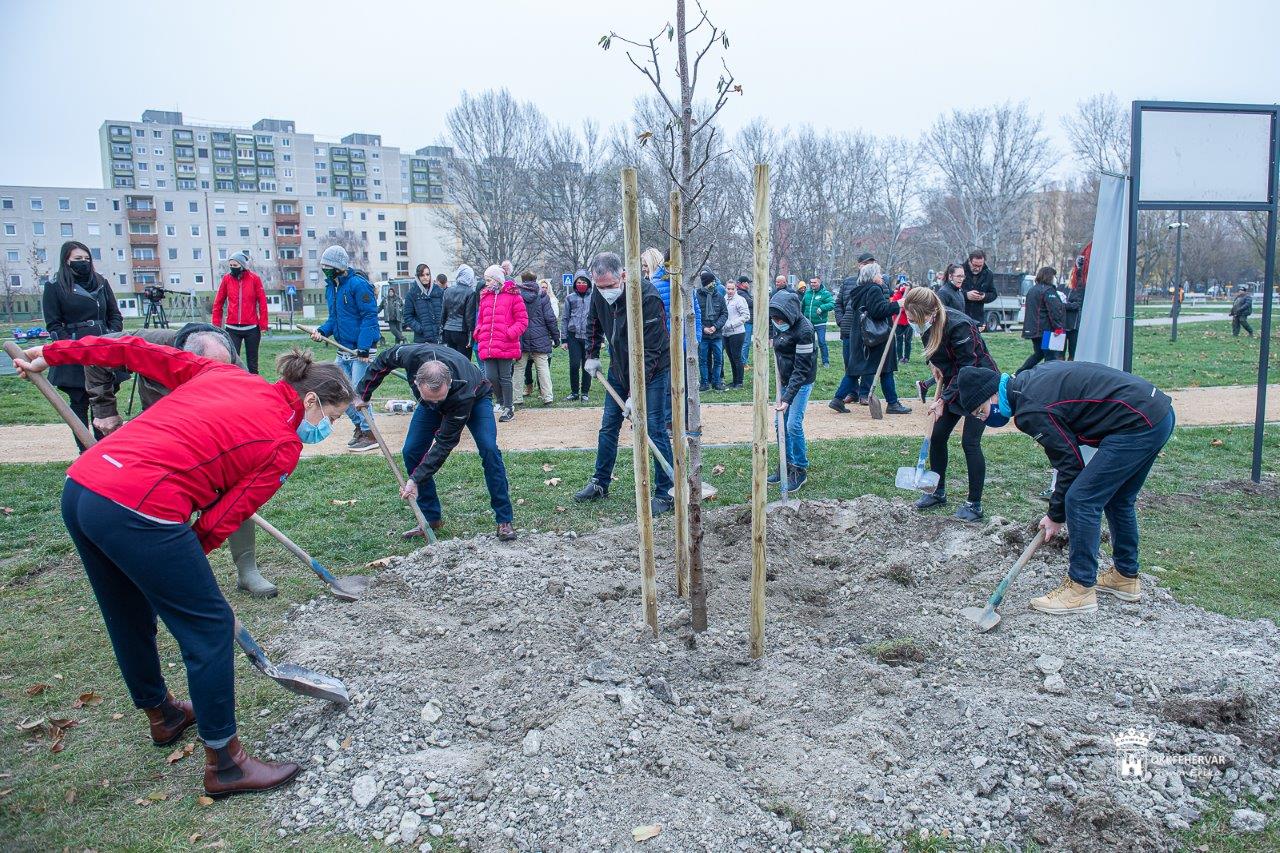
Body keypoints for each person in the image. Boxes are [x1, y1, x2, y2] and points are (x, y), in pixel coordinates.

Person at [14, 337, 352, 797]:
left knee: (127, 611)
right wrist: (183, 561)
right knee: (209, 628)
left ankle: (164, 715)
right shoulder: (282, 445)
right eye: (331, 417)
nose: (327, 428)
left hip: (83, 488)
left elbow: (137, 351)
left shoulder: (227, 375)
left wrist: (55, 353)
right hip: (139, 506)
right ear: (311, 400)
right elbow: (223, 518)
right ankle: (227, 765)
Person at [947, 361, 1174, 614]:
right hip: (1156, 414)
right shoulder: (1026, 383)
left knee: (1081, 499)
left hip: (1137, 423)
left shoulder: (1030, 409)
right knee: (1118, 499)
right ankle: (1125, 577)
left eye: (981, 411)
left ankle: (1080, 588)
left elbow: (1071, 465)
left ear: (992, 395)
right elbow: (1068, 455)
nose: (983, 419)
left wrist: (1056, 515)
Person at [82, 323, 277, 598]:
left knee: (237, 493)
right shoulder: (150, 344)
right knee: (167, 497)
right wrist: (104, 409)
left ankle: (248, 570)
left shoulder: (236, 369)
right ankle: (176, 574)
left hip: (209, 435)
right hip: (162, 433)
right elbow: (96, 350)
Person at [357, 344, 516, 542]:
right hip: (437, 398)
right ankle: (431, 518)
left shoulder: (463, 391)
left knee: (489, 449)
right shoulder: (410, 356)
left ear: (449, 383)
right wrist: (363, 393)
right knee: (411, 451)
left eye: (439, 398)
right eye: (430, 398)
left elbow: (444, 443)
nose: (436, 404)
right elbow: (383, 360)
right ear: (416, 382)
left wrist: (415, 479)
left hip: (476, 399)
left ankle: (504, 519)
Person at [573, 252, 675, 516]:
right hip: (619, 366)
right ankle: (600, 482)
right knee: (609, 424)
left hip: (653, 369)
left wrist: (635, 393)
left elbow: (651, 351)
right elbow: (593, 322)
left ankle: (666, 491)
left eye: (610, 285)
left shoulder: (647, 297)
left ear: (624, 275)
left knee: (654, 427)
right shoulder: (599, 292)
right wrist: (592, 355)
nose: (605, 291)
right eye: (600, 286)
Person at [901, 287, 999, 522]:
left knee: (970, 442)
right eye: (910, 319)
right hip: (953, 381)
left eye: (914, 320)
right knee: (937, 436)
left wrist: (944, 400)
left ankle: (974, 504)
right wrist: (934, 364)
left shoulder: (959, 325)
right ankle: (937, 491)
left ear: (929, 313)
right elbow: (933, 350)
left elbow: (967, 368)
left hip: (979, 384)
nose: (912, 324)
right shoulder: (927, 325)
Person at [41, 241, 124, 450]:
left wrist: (111, 335)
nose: (83, 262)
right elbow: (53, 323)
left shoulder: (101, 282)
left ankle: (104, 450)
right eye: (78, 259)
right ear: (66, 260)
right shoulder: (55, 286)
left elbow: (114, 314)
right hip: (74, 351)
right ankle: (85, 450)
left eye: (87, 259)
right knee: (79, 403)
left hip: (102, 348)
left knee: (104, 400)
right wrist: (70, 348)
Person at [309, 245, 380, 452]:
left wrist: (364, 348)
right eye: (323, 267)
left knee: (358, 392)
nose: (325, 270)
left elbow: (369, 317)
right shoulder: (331, 287)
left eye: (328, 267)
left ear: (339, 267)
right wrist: (322, 331)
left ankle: (370, 434)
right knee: (338, 390)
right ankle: (360, 427)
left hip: (361, 352)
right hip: (343, 350)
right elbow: (334, 319)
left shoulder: (358, 285)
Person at [840, 263, 912, 415]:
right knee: (886, 368)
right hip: (875, 337)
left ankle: (837, 399)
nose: (881, 277)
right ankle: (892, 403)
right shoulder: (874, 289)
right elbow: (878, 311)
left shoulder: (860, 290)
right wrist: (897, 304)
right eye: (879, 274)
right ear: (872, 276)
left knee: (856, 369)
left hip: (863, 335)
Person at [767, 290, 817, 492]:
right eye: (774, 319)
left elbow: (802, 368)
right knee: (779, 423)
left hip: (801, 380)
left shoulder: (805, 330)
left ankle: (799, 468)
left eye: (780, 319)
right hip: (785, 377)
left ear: (790, 314)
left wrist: (787, 397)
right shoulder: (778, 321)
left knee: (793, 424)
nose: (777, 322)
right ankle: (785, 463)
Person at [473, 264, 526, 422]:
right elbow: (481, 319)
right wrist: (479, 331)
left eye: (489, 280)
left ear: (497, 280)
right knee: (490, 377)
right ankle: (502, 401)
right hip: (488, 344)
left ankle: (508, 407)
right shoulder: (485, 297)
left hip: (505, 343)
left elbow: (522, 320)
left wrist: (509, 333)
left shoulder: (513, 296)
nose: (486, 283)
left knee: (504, 377)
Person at [211, 251, 269, 374]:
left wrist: (263, 324)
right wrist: (216, 325)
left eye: (235, 266)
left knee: (252, 364)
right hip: (232, 329)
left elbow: (262, 302)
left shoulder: (254, 279)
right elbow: (218, 303)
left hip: (252, 329)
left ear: (242, 266)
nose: (232, 268)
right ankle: (235, 383)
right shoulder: (226, 279)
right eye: (230, 265)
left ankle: (254, 384)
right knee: (233, 362)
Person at [514, 271, 559, 406]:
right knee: (543, 368)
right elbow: (550, 318)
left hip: (521, 336)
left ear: (522, 280)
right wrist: (556, 337)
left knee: (519, 368)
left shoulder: (516, 295)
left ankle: (516, 398)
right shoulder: (542, 295)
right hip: (540, 336)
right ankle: (548, 397)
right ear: (535, 280)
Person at [1019, 266, 1067, 374]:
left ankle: (1019, 373)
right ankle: (1047, 377)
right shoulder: (1048, 291)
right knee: (1051, 357)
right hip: (1046, 331)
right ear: (1050, 276)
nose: (1055, 278)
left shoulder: (1033, 290)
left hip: (1033, 330)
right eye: (1054, 276)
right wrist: (1058, 327)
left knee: (1039, 354)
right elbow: (1054, 311)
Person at [561, 270, 594, 401]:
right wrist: (564, 339)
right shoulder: (570, 298)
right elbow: (565, 318)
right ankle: (574, 392)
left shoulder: (593, 297)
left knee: (587, 365)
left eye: (584, 282)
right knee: (574, 365)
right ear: (575, 283)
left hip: (588, 336)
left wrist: (601, 338)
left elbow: (598, 318)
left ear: (588, 283)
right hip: (573, 336)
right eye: (579, 282)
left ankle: (585, 392)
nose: (581, 284)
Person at [696, 270, 728, 391]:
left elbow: (724, 314)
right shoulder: (697, 296)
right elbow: (694, 315)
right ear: (706, 283)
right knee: (703, 360)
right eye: (712, 281)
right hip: (703, 335)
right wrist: (703, 328)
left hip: (717, 335)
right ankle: (704, 383)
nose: (714, 283)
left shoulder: (719, 296)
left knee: (718, 359)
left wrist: (715, 326)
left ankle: (716, 382)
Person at [440, 265, 478, 358]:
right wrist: (471, 337)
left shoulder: (448, 290)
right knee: (463, 361)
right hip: (461, 332)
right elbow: (469, 317)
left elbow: (443, 313)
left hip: (448, 330)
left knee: (452, 360)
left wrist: (442, 330)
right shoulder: (470, 292)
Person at [402, 263, 443, 344]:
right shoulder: (412, 293)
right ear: (418, 277)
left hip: (439, 337)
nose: (425, 277)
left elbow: (445, 311)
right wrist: (420, 329)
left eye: (427, 274)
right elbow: (407, 317)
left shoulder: (438, 291)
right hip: (422, 339)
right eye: (422, 275)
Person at [802, 275, 836, 367]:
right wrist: (801, 317)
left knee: (821, 342)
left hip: (820, 323)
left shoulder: (825, 293)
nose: (812, 284)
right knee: (809, 343)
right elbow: (803, 306)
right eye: (811, 282)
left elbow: (832, 304)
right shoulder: (807, 293)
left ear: (819, 283)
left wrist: (822, 308)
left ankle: (825, 362)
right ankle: (811, 361)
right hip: (808, 323)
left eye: (815, 282)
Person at [1064, 246, 1090, 360]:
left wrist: (1062, 305)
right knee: (1058, 354)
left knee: (1071, 354)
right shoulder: (1066, 287)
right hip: (1065, 324)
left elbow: (1078, 304)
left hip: (1072, 324)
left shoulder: (1078, 286)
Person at [723, 280, 750, 388]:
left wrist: (732, 324)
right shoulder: (724, 299)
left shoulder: (740, 300)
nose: (730, 291)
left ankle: (739, 381)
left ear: (736, 289)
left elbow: (746, 316)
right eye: (728, 289)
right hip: (725, 333)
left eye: (732, 289)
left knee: (737, 357)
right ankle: (734, 380)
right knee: (731, 357)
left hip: (737, 332)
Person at [961, 249, 998, 328]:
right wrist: (966, 295)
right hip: (960, 317)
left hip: (977, 319)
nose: (977, 268)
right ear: (969, 261)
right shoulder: (959, 271)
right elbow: (950, 291)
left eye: (980, 266)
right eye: (975, 265)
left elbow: (994, 294)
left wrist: (984, 296)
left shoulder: (988, 274)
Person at [892, 280, 913, 364]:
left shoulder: (912, 295)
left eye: (906, 285)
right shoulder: (897, 294)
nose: (904, 287)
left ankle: (907, 357)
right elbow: (898, 307)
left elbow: (911, 307)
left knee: (908, 340)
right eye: (903, 285)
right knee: (899, 340)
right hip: (899, 322)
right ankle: (900, 357)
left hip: (909, 322)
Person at [378, 281, 406, 345]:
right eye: (389, 292)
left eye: (392, 292)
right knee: (393, 330)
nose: (390, 293)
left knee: (398, 330)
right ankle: (403, 338)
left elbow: (403, 306)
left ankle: (397, 344)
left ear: (394, 292)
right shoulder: (385, 299)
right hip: (390, 318)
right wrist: (375, 312)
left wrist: (402, 312)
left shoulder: (398, 298)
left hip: (398, 317)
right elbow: (380, 307)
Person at [736, 275, 754, 365]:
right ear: (743, 283)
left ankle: (743, 361)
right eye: (747, 283)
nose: (749, 284)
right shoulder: (741, 293)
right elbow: (751, 303)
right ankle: (743, 362)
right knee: (746, 342)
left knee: (746, 342)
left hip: (748, 321)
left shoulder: (744, 292)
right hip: (747, 321)